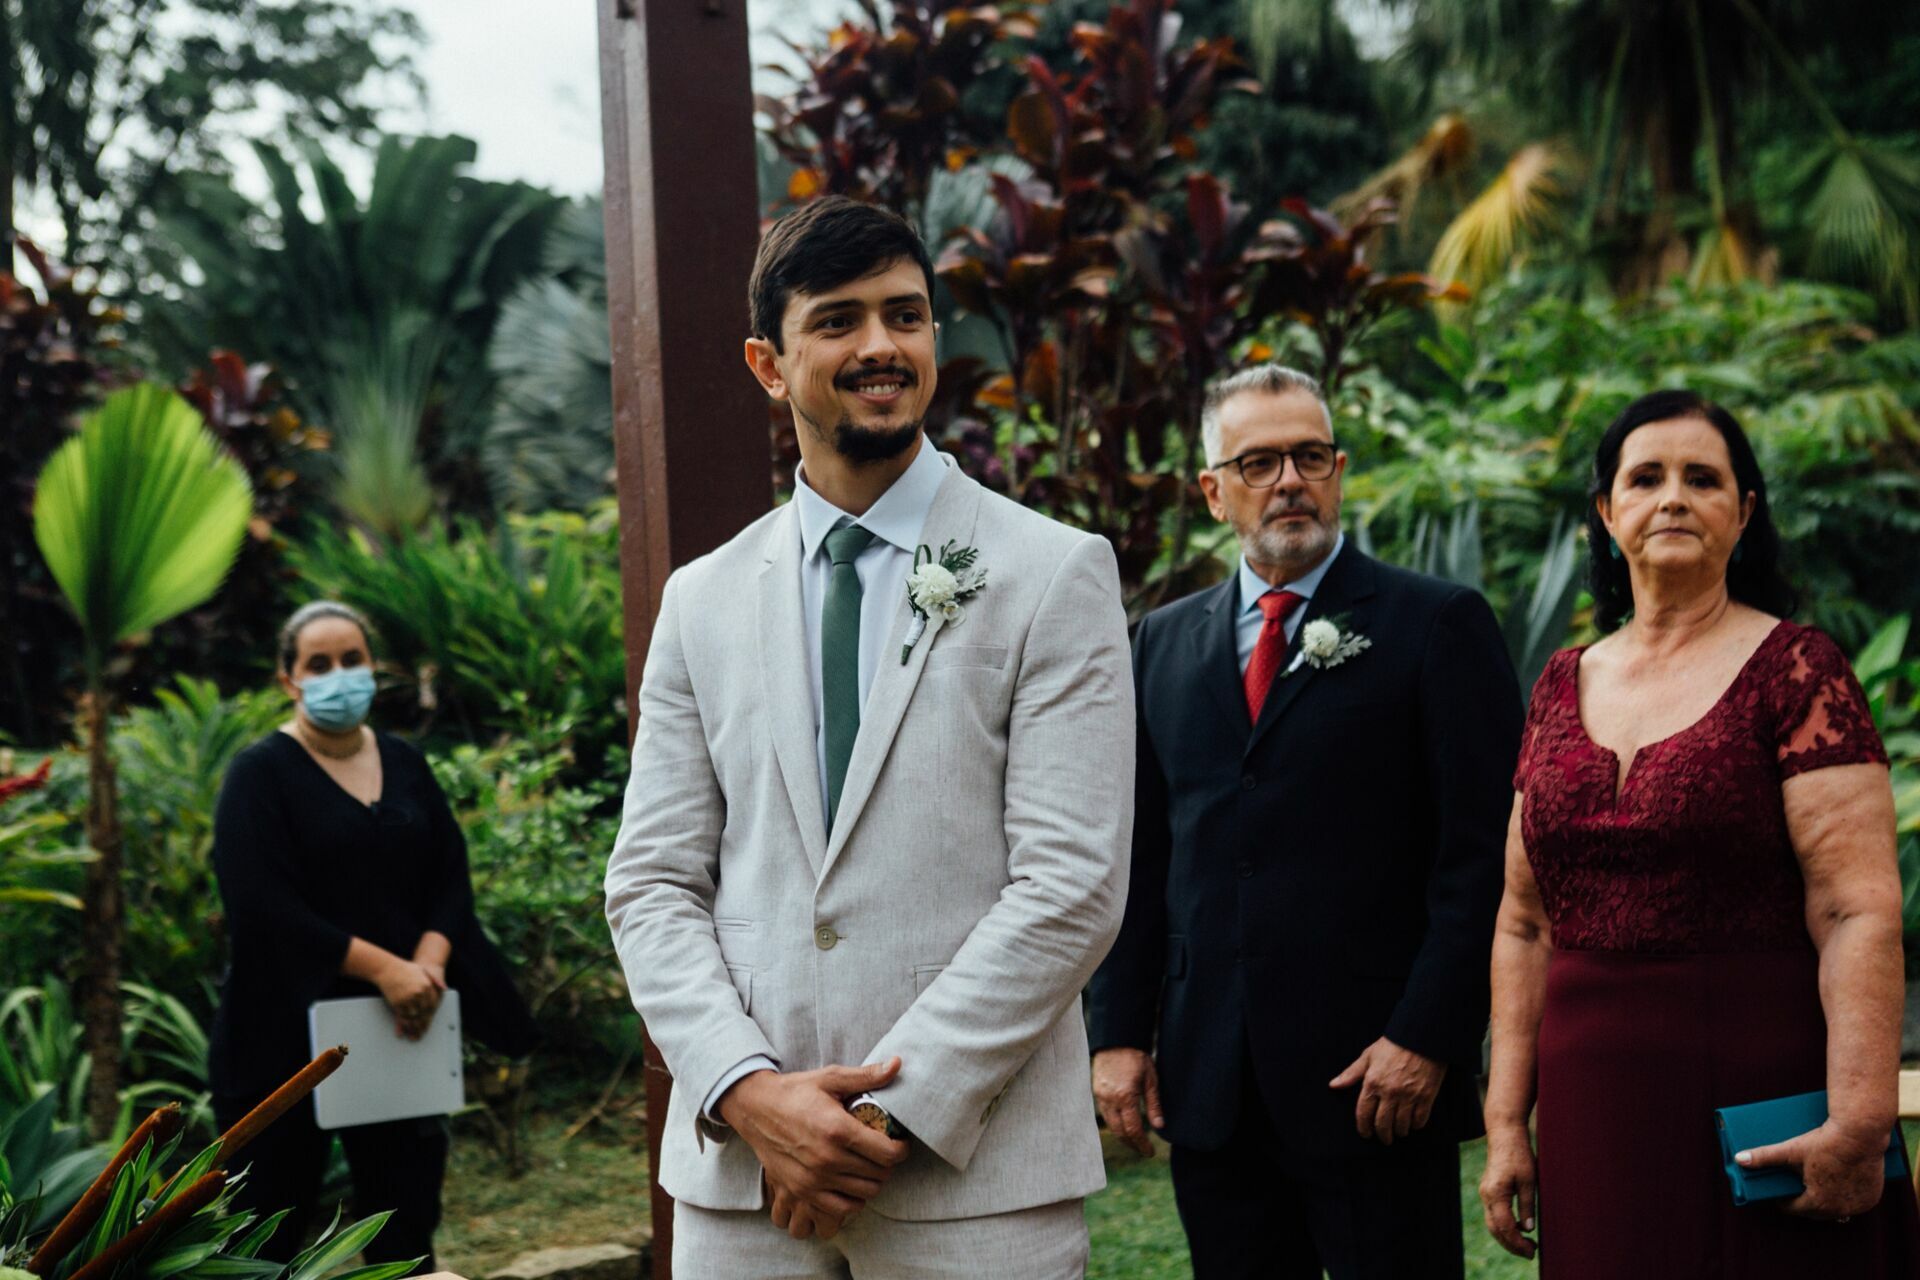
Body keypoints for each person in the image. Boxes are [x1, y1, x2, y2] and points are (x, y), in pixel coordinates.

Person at [603, 195, 1134, 1278]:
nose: (882, 344)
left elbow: (1071, 882)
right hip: (744, 1180)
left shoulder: (1052, 572)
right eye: (839, 319)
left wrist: (883, 1117)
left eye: (906, 314)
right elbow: (652, 883)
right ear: (769, 360)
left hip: (974, 1174)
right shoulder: (700, 600)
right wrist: (751, 1095)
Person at [1087, 364, 1523, 1279]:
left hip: (1377, 1083)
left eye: (1310, 456)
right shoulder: (1160, 642)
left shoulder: (1435, 625)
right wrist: (1120, 1034)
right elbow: (1139, 852)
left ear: (1338, 468)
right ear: (1213, 492)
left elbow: (1480, 859)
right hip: (1214, 1085)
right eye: (1257, 463)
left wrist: (1427, 1037)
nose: (1289, 480)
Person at [1478, 389, 1920, 1276]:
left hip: (1756, 1084)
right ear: (1607, 514)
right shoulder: (1559, 684)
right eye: (1646, 477)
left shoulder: (1799, 669)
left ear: (1743, 513)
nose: (1672, 497)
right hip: (1593, 1101)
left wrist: (1861, 1121)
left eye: (1702, 478)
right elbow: (1524, 923)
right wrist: (1503, 1129)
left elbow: (1855, 911)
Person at [209, 601, 536, 1272]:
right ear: (288, 680)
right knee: (264, 1238)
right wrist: (384, 968)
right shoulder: (258, 775)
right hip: (280, 1041)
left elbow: (450, 874)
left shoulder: (405, 760)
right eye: (319, 664)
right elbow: (261, 905)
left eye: (352, 660)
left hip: (402, 1026)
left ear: (373, 668)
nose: (339, 676)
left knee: (404, 1231)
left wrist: (427, 963)